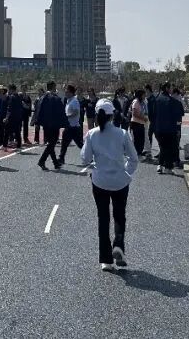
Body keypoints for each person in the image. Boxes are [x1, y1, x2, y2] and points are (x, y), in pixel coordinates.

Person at [81, 99, 139, 271]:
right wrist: (126, 172)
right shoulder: (122, 133)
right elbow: (133, 158)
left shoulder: (92, 134)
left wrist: (95, 166)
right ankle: (118, 244)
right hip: (120, 181)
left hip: (100, 180)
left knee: (103, 217)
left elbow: (85, 159)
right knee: (119, 215)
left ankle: (106, 260)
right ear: (112, 115)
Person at [151, 84, 184, 175]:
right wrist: (178, 127)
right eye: (170, 88)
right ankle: (168, 167)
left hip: (159, 127)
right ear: (167, 88)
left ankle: (160, 165)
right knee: (169, 148)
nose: (172, 89)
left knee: (163, 147)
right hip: (170, 128)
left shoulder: (156, 100)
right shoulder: (173, 101)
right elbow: (178, 116)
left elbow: (152, 114)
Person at [36, 81, 66, 170]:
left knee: (50, 143)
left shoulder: (42, 97)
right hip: (54, 124)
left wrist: (38, 122)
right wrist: (64, 122)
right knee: (52, 143)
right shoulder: (55, 98)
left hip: (45, 124)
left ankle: (55, 163)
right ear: (53, 87)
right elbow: (60, 111)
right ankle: (42, 160)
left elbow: (38, 110)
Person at [58, 84, 85, 165]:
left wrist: (66, 116)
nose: (65, 93)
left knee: (79, 144)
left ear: (71, 93)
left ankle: (90, 155)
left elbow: (76, 112)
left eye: (67, 92)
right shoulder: (68, 100)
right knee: (64, 143)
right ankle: (61, 158)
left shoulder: (74, 101)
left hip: (74, 127)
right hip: (69, 126)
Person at [129, 89, 148, 159]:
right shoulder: (136, 102)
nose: (145, 96)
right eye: (144, 94)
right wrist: (143, 118)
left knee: (141, 140)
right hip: (136, 123)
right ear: (140, 95)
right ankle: (137, 154)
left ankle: (139, 153)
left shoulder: (142, 102)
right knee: (137, 140)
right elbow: (134, 113)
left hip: (141, 123)